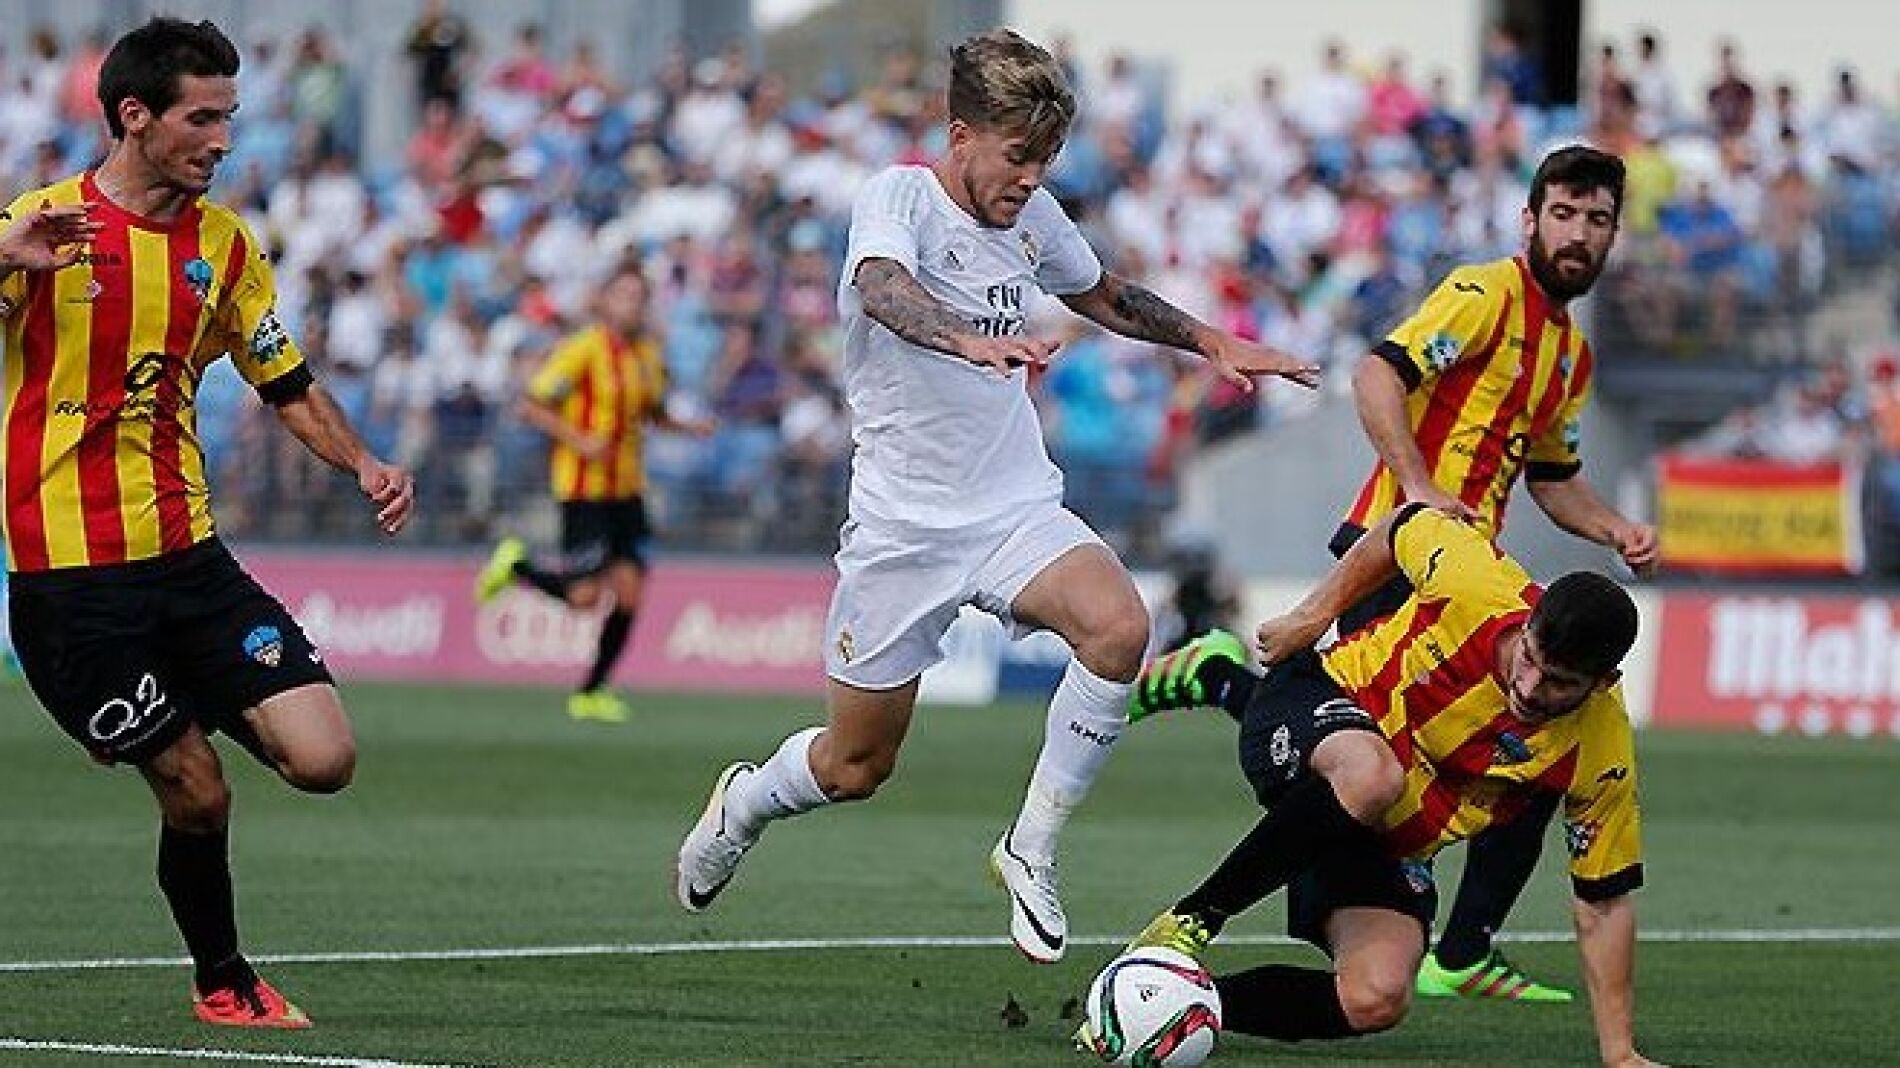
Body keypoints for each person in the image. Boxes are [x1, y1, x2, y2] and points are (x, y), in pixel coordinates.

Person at [673, 28, 1318, 963]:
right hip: (901, 528)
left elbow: (1104, 294)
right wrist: (964, 339)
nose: (1029, 179)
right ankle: (744, 804)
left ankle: (1031, 847)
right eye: (1017, 158)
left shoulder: (1032, 216)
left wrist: (1212, 341)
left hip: (1012, 506)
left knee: (1120, 628)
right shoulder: (899, 198)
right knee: (857, 764)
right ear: (960, 134)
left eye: (1045, 160)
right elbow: (883, 288)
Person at [0, 18, 414, 1028]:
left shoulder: (223, 247)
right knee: (198, 789)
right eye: (203, 117)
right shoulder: (38, 224)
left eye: (230, 116)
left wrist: (361, 459)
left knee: (325, 759)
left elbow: (287, 380)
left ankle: (186, 689)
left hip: (190, 563)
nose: (223, 138)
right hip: (72, 585)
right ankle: (224, 981)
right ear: (134, 117)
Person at [1090, 505, 1665, 1068]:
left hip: (1381, 837)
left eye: (1558, 682)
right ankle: (1191, 920)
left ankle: (1169, 1005)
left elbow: (1604, 904)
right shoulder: (1478, 581)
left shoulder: (1601, 749)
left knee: (1378, 996)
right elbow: (1401, 526)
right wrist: (1312, 617)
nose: (1530, 686)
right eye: (1530, 658)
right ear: (1532, 618)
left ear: (1603, 681)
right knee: (1372, 774)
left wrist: (1620, 1055)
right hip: (1315, 697)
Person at [1327, 143, 1658, 1002]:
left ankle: (1461, 948)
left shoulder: (1569, 356)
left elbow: (1552, 479)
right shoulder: (1484, 294)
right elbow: (1376, 373)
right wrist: (1421, 485)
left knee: (1537, 760)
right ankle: (1378, 938)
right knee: (1373, 759)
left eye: (1596, 221)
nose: (1579, 234)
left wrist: (1614, 526)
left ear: (1613, 236)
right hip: (1400, 554)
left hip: (1468, 576)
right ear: (1529, 219)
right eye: (1563, 214)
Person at [475, 262, 711, 723]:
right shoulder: (582, 349)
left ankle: (592, 690)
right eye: (624, 295)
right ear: (603, 301)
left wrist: (687, 427)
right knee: (584, 599)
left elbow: (652, 413)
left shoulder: (647, 355)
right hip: (583, 489)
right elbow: (532, 405)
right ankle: (517, 563)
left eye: (640, 297)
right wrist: (579, 440)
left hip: (627, 490)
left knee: (630, 595)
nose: (633, 305)